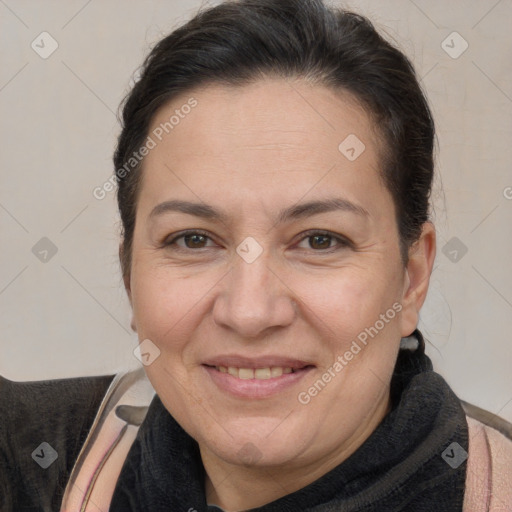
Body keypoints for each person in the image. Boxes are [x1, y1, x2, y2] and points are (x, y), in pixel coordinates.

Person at [1, 0, 511, 511]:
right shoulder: (28, 467)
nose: (249, 312)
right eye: (193, 240)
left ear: (411, 280)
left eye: (319, 240)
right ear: (129, 275)